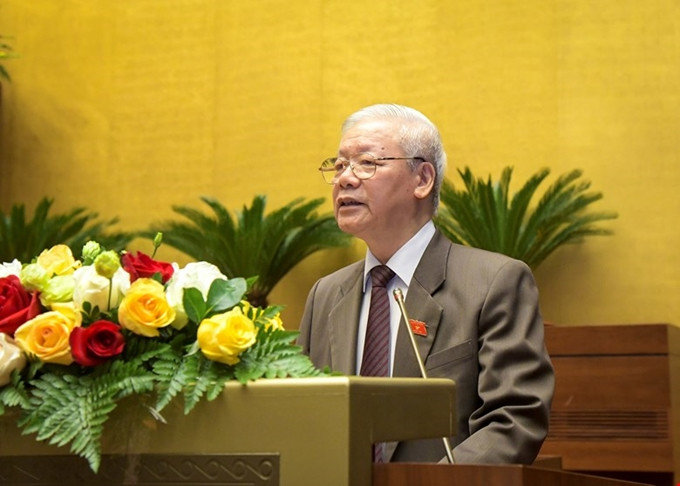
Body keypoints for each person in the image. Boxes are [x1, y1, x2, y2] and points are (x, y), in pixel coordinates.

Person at [297, 103, 554, 464]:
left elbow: (513, 419)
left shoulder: (493, 283)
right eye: (339, 165)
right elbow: (302, 418)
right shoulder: (326, 294)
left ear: (422, 180)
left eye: (367, 163)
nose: (345, 179)